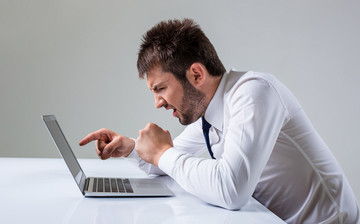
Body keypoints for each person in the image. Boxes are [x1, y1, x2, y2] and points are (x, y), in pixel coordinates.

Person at [79, 18, 359, 223]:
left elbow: (232, 189)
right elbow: (170, 165)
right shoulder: (209, 113)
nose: (158, 103)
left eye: (160, 88)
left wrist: (162, 152)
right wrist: (131, 148)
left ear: (196, 75)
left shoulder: (253, 93)